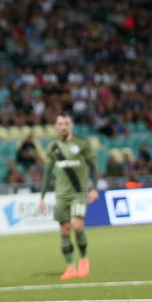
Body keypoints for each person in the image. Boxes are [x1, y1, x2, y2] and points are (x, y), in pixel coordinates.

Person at [38, 113, 99, 280]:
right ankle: (70, 267)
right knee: (64, 230)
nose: (63, 126)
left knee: (77, 225)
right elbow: (47, 173)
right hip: (61, 195)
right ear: (56, 126)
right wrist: (42, 197)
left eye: (66, 123)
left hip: (79, 193)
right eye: (60, 124)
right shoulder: (52, 147)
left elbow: (93, 166)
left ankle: (84, 259)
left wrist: (94, 188)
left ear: (71, 125)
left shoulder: (81, 143)